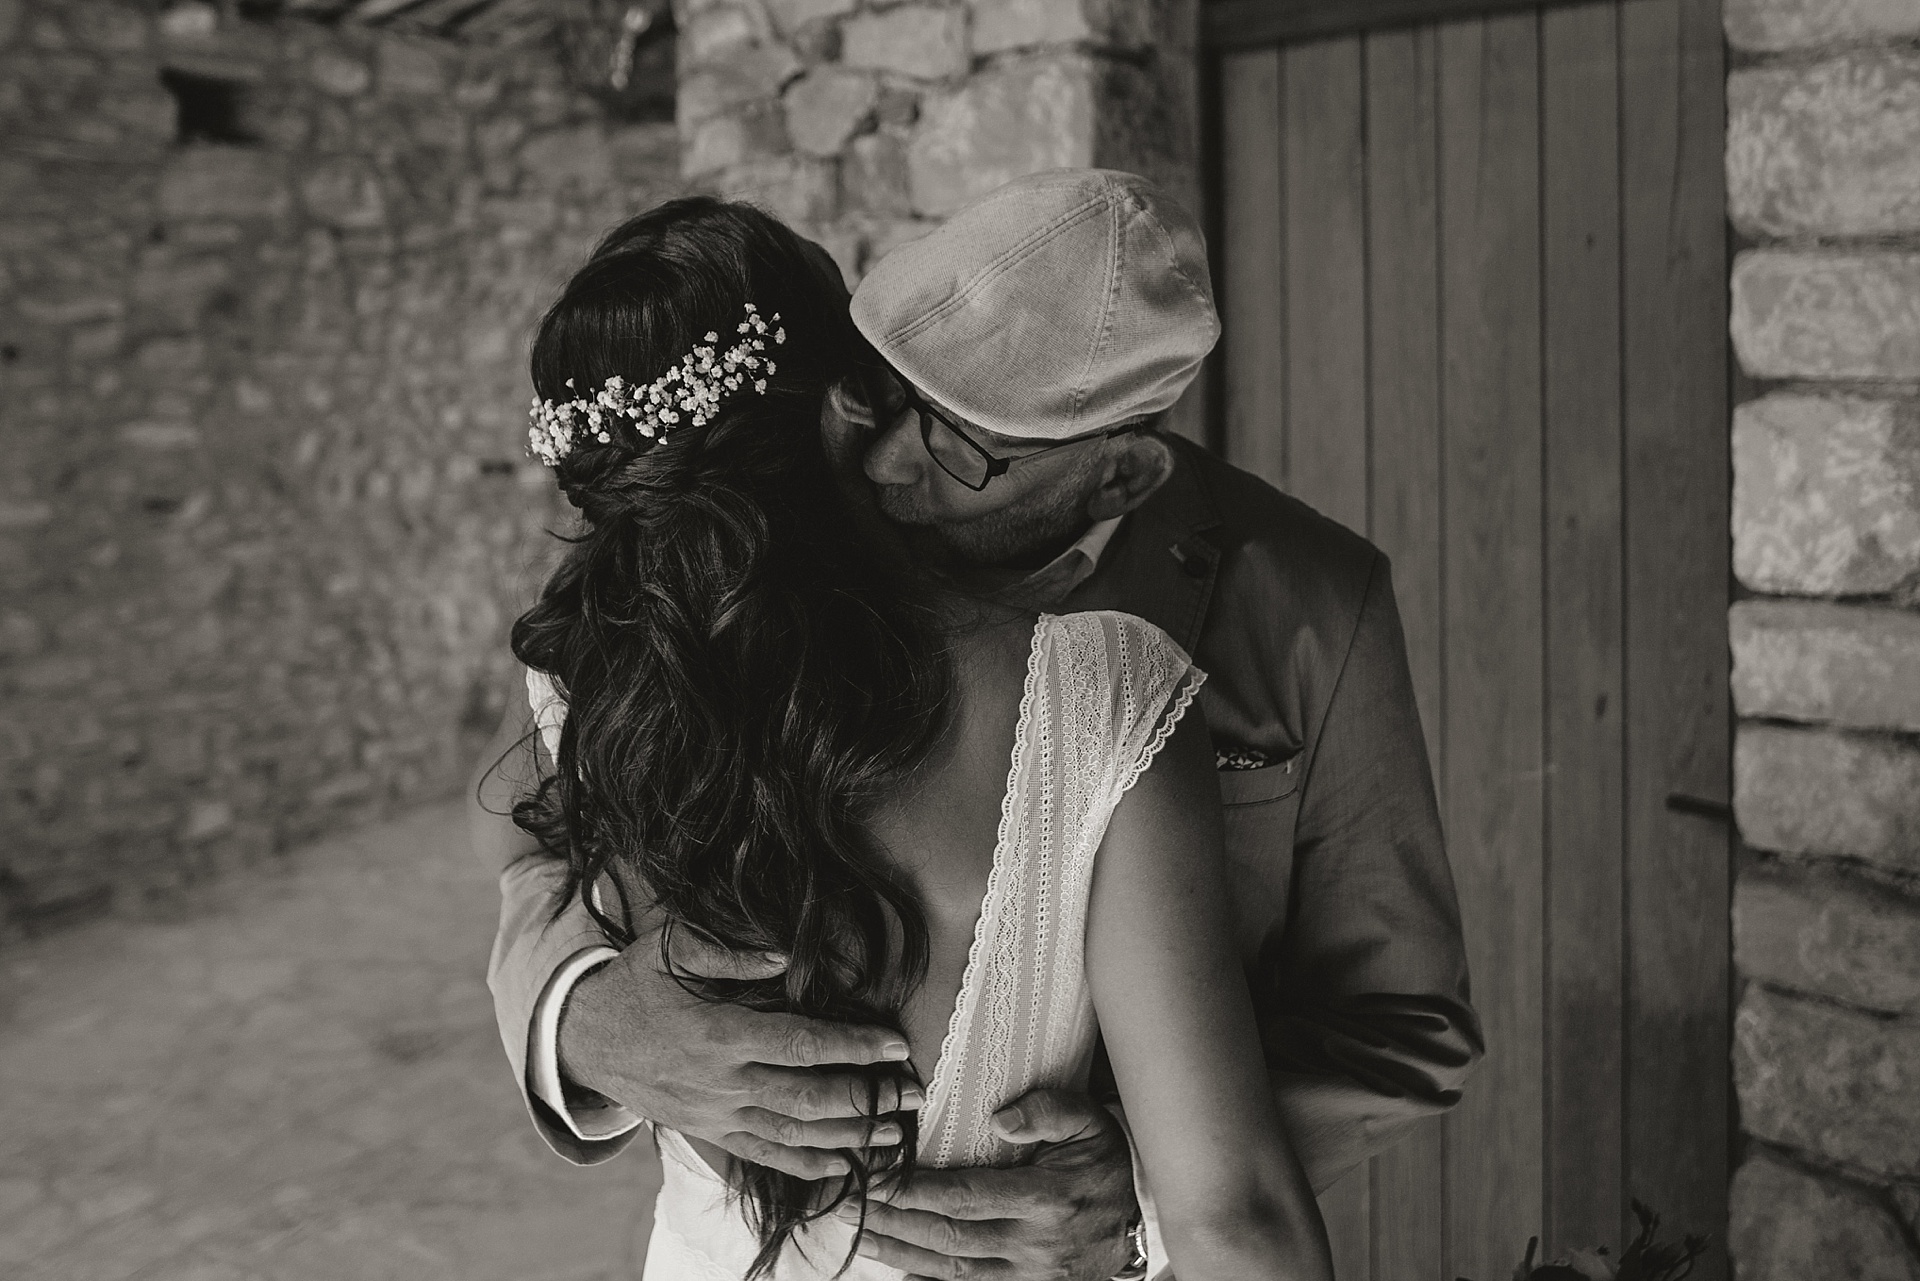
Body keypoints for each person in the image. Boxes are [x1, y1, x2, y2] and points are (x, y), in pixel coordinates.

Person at [472, 170, 1481, 1280]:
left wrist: (1138, 1197)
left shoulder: (1309, 611)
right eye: (870, 392)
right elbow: (536, 816)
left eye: (963, 449)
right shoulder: (730, 577)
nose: (881, 462)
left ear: (1119, 473)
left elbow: (1403, 1025)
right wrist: (577, 1014)